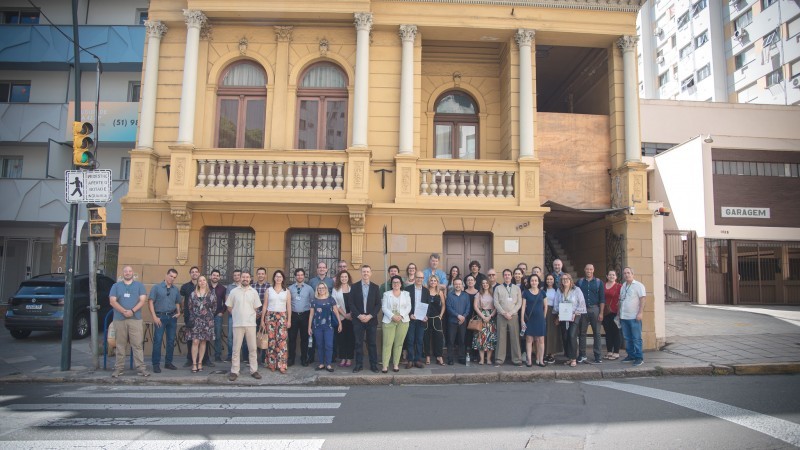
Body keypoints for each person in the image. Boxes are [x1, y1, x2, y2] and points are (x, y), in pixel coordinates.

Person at [109, 265, 150, 378]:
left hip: (135, 319)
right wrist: (123, 311)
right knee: (120, 345)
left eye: (130, 271)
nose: (127, 273)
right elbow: (112, 301)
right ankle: (118, 369)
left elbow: (142, 300)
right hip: (119, 319)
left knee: (137, 345)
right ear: (123, 273)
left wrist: (132, 311)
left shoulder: (139, 286)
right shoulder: (116, 286)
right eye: (125, 271)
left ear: (133, 273)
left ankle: (141, 369)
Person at [226, 271, 262, 381]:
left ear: (250, 279)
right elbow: (229, 306)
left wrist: (249, 316)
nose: (245, 279)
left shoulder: (254, 292)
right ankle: (234, 371)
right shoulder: (233, 291)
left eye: (247, 277)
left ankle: (254, 370)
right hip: (237, 324)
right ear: (240, 278)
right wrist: (237, 315)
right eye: (243, 277)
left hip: (251, 324)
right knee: (236, 349)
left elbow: (256, 308)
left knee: (253, 348)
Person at [347, 265, 381, 373]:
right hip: (358, 320)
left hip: (371, 320)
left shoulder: (375, 287)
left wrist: (370, 315)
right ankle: (358, 365)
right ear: (361, 273)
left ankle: (373, 365)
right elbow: (351, 303)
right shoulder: (354, 286)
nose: (365, 273)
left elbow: (378, 304)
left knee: (372, 343)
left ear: (370, 273)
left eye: (367, 271)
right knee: (358, 343)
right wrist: (359, 315)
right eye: (364, 271)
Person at [148, 268, 181, 373]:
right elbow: (150, 302)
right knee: (158, 341)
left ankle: (168, 362)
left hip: (172, 317)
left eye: (174, 277)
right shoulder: (156, 288)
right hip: (160, 317)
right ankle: (156, 364)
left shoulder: (175, 289)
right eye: (171, 276)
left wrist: (179, 312)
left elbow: (177, 302)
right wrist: (154, 317)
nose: (172, 279)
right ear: (166, 275)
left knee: (171, 341)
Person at [262, 270, 291, 374]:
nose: (278, 278)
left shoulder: (286, 291)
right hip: (270, 316)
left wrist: (289, 320)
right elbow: (265, 305)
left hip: (282, 316)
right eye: (276, 276)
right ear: (274, 278)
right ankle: (271, 363)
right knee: (271, 341)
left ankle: (282, 365)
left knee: (282, 341)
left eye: (280, 277)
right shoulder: (268, 290)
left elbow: (289, 307)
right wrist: (262, 320)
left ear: (283, 278)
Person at [380, 275, 411, 372]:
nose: (396, 284)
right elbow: (384, 307)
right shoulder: (386, 294)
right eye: (394, 282)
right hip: (389, 320)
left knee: (399, 344)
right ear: (391, 284)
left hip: (403, 320)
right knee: (387, 344)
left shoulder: (406, 294)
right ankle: (385, 365)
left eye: (398, 282)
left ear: (401, 284)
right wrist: (392, 316)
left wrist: (401, 316)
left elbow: (409, 307)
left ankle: (396, 364)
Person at [181, 266, 210, 368]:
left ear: (199, 274)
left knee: (204, 340)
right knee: (191, 340)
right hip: (190, 317)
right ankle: (190, 360)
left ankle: (205, 359)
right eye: (192, 272)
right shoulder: (185, 287)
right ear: (190, 274)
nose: (194, 273)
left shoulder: (207, 289)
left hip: (205, 319)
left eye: (196, 272)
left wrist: (207, 315)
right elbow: (183, 301)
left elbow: (213, 306)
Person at [554, 274, 586, 367]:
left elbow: (582, 303)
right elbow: (556, 304)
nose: (565, 280)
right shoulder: (559, 291)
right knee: (565, 336)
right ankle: (569, 357)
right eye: (563, 279)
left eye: (567, 278)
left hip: (574, 315)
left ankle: (573, 359)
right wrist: (558, 314)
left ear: (570, 280)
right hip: (563, 316)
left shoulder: (576, 290)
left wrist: (575, 313)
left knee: (572, 335)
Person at [309, 283, 342, 372]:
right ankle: (321, 363)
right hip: (317, 327)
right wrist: (309, 327)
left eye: (323, 288)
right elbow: (311, 315)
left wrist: (340, 323)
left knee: (329, 345)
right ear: (317, 290)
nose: (321, 289)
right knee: (319, 345)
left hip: (329, 326)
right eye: (319, 288)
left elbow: (336, 312)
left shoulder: (331, 299)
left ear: (326, 289)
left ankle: (328, 364)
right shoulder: (314, 301)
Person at [576, 264, 606, 364]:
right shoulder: (579, 282)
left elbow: (602, 298)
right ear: (584, 270)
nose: (589, 271)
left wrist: (601, 312)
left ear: (593, 270)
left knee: (596, 333)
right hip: (582, 309)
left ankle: (598, 356)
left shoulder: (598, 282)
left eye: (591, 269)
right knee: (582, 333)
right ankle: (582, 354)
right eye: (587, 269)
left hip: (595, 309)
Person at [493, 269, 523, 367]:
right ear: (503, 276)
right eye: (505, 275)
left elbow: (519, 303)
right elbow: (496, 302)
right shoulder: (498, 288)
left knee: (515, 337)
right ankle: (499, 359)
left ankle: (517, 359)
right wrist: (503, 313)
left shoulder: (516, 288)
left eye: (509, 275)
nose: (507, 276)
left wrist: (511, 312)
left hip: (513, 315)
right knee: (501, 337)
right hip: (501, 316)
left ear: (511, 276)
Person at [188, 275, 216, 373]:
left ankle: (200, 363)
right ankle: (194, 364)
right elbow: (190, 307)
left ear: (206, 282)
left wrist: (207, 315)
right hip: (195, 321)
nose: (202, 282)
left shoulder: (211, 294)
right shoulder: (193, 294)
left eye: (204, 280)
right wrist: (196, 316)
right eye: (200, 280)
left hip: (207, 321)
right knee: (195, 341)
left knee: (203, 342)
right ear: (198, 283)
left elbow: (214, 307)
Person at [619, 267, 646, 366]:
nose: (626, 275)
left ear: (632, 274)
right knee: (627, 338)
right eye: (625, 273)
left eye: (628, 273)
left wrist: (640, 313)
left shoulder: (638, 285)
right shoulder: (623, 286)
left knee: (636, 338)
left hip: (634, 317)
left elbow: (643, 299)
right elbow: (621, 300)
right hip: (624, 317)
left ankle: (639, 357)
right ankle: (631, 355)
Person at [288, 268, 315, 367]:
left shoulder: (309, 288)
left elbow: (312, 303)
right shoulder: (290, 289)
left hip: (305, 315)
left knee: (304, 338)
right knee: (292, 338)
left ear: (304, 276)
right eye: (298, 275)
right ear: (295, 276)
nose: (300, 276)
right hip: (293, 315)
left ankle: (304, 358)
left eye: (301, 275)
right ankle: (291, 359)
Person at [405, 271, 430, 369]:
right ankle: (410, 360)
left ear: (423, 279)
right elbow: (405, 304)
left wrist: (426, 316)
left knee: (419, 340)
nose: (419, 279)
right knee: (410, 340)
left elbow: (428, 305)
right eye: (418, 277)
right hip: (411, 318)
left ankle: (418, 360)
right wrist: (410, 314)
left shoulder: (426, 291)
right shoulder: (408, 289)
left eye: (421, 277)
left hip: (421, 319)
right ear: (414, 278)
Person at [522, 274, 547, 367]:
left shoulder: (542, 293)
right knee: (529, 339)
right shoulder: (525, 293)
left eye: (536, 280)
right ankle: (529, 360)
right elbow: (523, 307)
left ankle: (541, 360)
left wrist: (543, 317)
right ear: (529, 282)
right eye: (532, 280)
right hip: (529, 319)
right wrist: (522, 320)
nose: (534, 282)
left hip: (540, 320)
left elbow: (546, 306)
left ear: (538, 282)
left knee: (541, 340)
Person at [445, 278, 470, 365]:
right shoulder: (450, 295)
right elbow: (448, 308)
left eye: (459, 284)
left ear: (462, 285)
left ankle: (461, 357)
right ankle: (450, 358)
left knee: (462, 340)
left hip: (463, 321)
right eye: (456, 284)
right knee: (451, 340)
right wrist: (457, 315)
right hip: (452, 321)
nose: (458, 285)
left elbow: (468, 307)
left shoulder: (465, 295)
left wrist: (463, 316)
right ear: (453, 285)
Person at [472, 278, 497, 365]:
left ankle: (489, 359)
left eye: (486, 283)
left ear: (489, 284)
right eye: (483, 283)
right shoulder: (478, 294)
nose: (485, 284)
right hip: (481, 317)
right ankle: (482, 359)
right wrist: (483, 316)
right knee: (481, 339)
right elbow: (475, 306)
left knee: (490, 338)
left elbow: (496, 306)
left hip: (491, 318)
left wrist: (490, 316)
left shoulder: (493, 294)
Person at [332, 270, 354, 367]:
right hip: (341, 317)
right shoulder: (335, 289)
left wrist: (351, 314)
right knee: (341, 338)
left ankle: (349, 358)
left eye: (345, 277)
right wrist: (345, 315)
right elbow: (335, 304)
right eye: (342, 277)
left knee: (350, 338)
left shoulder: (353, 288)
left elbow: (357, 302)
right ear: (339, 279)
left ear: (348, 278)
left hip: (352, 317)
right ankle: (342, 358)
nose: (344, 278)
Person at [424, 275, 446, 365]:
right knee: (426, 338)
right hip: (426, 318)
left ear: (437, 282)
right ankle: (427, 356)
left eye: (434, 281)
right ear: (429, 282)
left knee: (439, 338)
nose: (433, 282)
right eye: (431, 280)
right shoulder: (425, 291)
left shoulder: (440, 292)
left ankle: (439, 356)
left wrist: (440, 316)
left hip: (436, 318)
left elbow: (444, 305)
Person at [252, 267, 271, 366]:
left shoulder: (269, 287)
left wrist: (262, 314)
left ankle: (263, 359)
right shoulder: (251, 286)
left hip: (265, 316)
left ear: (265, 275)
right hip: (253, 316)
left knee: (264, 337)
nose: (260, 275)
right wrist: (255, 313)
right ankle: (253, 359)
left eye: (262, 273)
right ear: (256, 275)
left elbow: (269, 303)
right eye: (259, 273)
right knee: (253, 338)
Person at [603, 270, 623, 360]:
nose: (611, 276)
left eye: (613, 275)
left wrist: (619, 311)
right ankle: (609, 351)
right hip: (605, 312)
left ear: (616, 277)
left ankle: (616, 352)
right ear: (607, 276)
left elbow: (622, 299)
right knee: (608, 333)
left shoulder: (619, 286)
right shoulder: (603, 285)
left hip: (615, 312)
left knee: (616, 332)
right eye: (610, 275)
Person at [543, 274, 562, 364]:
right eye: (547, 279)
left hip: (553, 312)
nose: (549, 281)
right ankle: (545, 353)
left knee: (553, 333)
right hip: (544, 311)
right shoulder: (543, 289)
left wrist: (558, 316)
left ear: (554, 280)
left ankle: (552, 354)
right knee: (545, 332)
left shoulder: (557, 290)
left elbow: (559, 302)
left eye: (551, 279)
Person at [209, 270, 228, 362]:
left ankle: (217, 355)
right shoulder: (205, 287)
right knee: (206, 335)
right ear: (210, 276)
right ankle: (205, 355)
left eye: (217, 275)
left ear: (219, 277)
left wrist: (222, 312)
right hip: (206, 316)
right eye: (213, 275)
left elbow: (226, 302)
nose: (215, 277)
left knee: (218, 335)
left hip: (218, 315)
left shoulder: (223, 289)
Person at [225, 269, 242, 362]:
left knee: (244, 338)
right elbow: (228, 303)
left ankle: (244, 357)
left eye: (238, 275)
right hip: (232, 316)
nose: (236, 277)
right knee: (231, 336)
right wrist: (233, 313)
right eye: (235, 275)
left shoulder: (246, 286)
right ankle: (230, 356)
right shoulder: (229, 287)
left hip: (244, 317)